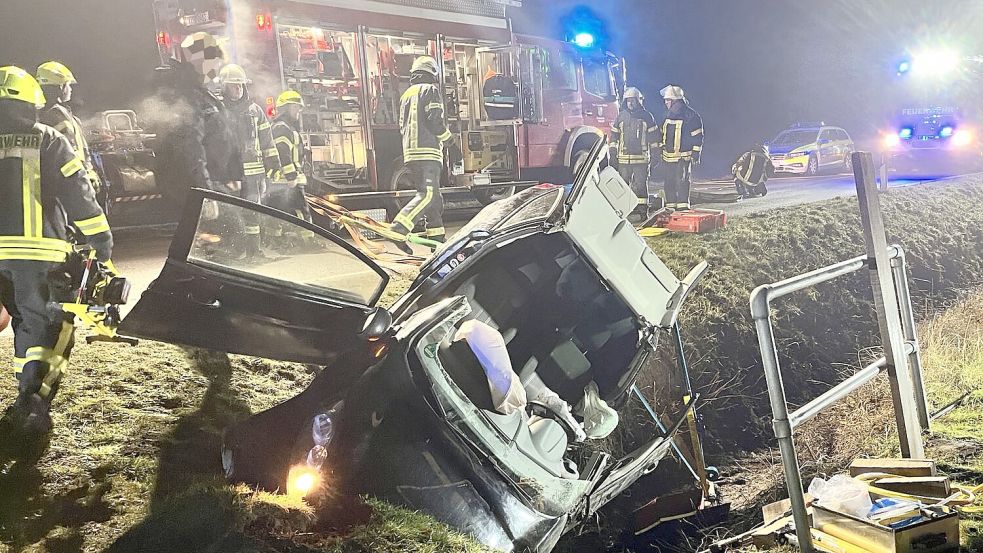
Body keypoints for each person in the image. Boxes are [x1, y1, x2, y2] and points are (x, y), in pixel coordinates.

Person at [0, 66, 116, 435]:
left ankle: (27, 400)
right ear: (34, 101)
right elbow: (78, 194)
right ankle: (33, 402)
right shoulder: (48, 139)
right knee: (45, 326)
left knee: (20, 320)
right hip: (37, 255)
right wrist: (101, 240)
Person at [388, 56, 463, 254]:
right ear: (432, 74)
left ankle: (436, 241)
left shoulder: (406, 95)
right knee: (427, 194)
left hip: (411, 153)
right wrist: (452, 144)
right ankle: (399, 228)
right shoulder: (430, 90)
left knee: (435, 199)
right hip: (427, 152)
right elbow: (435, 121)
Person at [152, 31, 237, 205]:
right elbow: (191, 150)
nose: (216, 70)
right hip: (195, 190)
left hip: (211, 185)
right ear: (200, 61)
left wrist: (232, 175)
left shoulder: (199, 92)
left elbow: (220, 136)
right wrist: (206, 195)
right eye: (214, 63)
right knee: (233, 229)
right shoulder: (186, 95)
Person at [219, 63, 280, 257]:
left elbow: (266, 140)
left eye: (240, 85)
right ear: (224, 87)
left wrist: (273, 164)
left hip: (254, 175)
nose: (238, 89)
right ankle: (236, 251)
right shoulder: (218, 110)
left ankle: (254, 251)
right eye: (233, 85)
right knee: (232, 213)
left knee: (253, 213)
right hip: (231, 174)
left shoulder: (255, 111)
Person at [35, 62, 103, 205]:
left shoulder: (55, 113)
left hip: (70, 180)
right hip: (69, 184)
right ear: (60, 87)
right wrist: (84, 174)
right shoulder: (54, 116)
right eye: (68, 84)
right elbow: (68, 153)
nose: (70, 89)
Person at [269, 90, 315, 244]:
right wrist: (291, 177)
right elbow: (283, 153)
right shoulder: (282, 128)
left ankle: (279, 241)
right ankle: (308, 241)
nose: (299, 111)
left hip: (286, 179)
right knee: (301, 209)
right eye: (296, 107)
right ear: (286, 108)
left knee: (282, 211)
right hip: (288, 180)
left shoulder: (285, 127)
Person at [611, 87, 658, 214]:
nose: (630, 103)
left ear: (638, 101)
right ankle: (625, 211)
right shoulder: (621, 117)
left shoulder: (647, 117)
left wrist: (655, 155)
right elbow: (614, 137)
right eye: (628, 101)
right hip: (623, 160)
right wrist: (612, 153)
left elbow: (654, 138)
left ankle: (643, 212)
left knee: (641, 186)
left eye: (633, 100)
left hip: (641, 160)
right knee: (623, 186)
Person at [657, 85, 704, 211]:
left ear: (675, 101)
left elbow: (698, 136)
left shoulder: (691, 115)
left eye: (668, 100)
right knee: (669, 182)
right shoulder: (666, 115)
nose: (666, 103)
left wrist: (695, 154)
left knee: (682, 181)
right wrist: (660, 149)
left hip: (683, 157)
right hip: (668, 157)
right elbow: (661, 134)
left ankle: (683, 206)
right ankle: (670, 206)